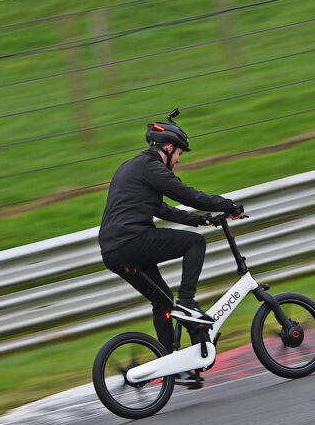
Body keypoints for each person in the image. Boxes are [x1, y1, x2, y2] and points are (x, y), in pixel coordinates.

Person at [99, 109, 243, 386]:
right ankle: (188, 302)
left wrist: (201, 219)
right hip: (131, 241)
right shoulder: (152, 167)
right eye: (179, 153)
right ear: (167, 148)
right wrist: (227, 205)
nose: (178, 160)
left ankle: (170, 364)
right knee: (194, 243)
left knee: (163, 301)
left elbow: (163, 209)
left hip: (114, 251)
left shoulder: (132, 167)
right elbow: (187, 195)